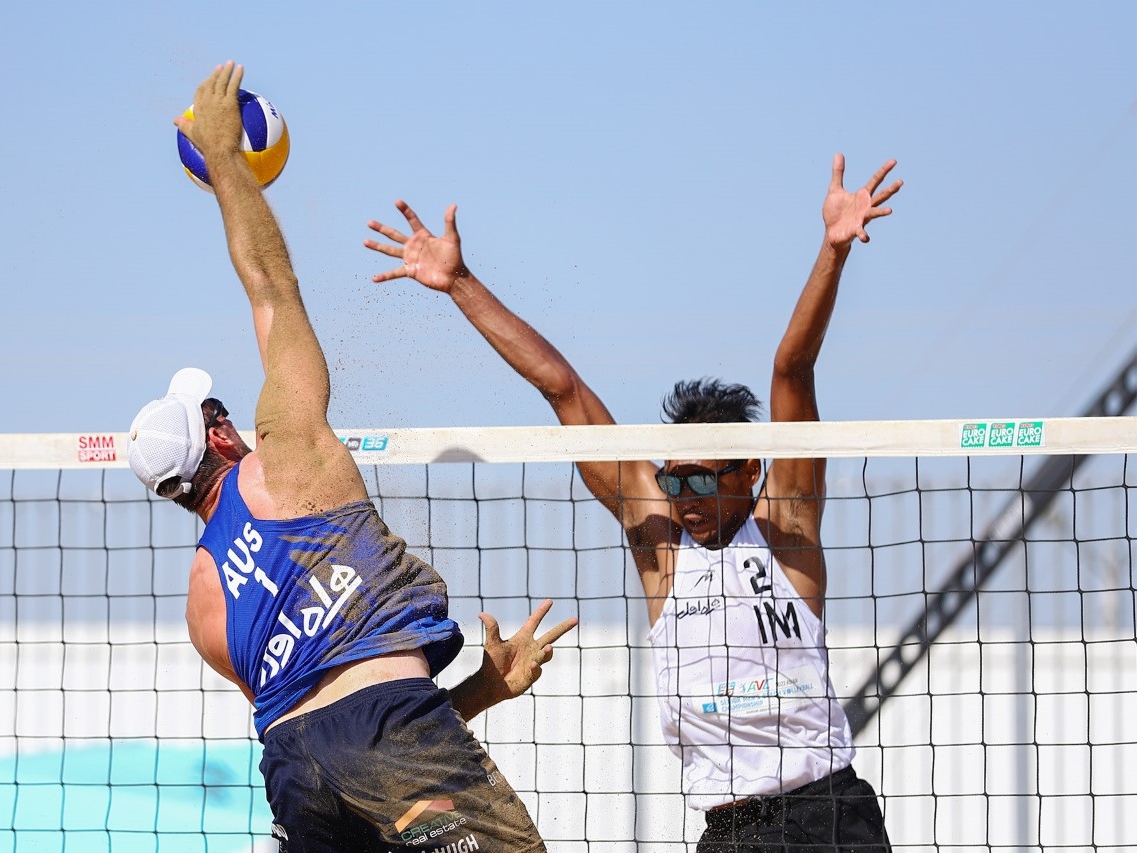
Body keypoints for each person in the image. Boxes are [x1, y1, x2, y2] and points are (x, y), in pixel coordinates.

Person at [364, 155, 901, 852]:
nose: (683, 498)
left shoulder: (784, 526)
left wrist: (831, 251)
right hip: (729, 829)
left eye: (701, 480)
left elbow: (791, 368)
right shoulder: (661, 543)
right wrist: (460, 283)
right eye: (673, 480)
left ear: (750, 471)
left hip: (828, 814)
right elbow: (563, 388)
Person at [126, 63, 576, 853]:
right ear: (222, 433)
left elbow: (334, 731)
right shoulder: (283, 456)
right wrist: (228, 159)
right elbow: (272, 288)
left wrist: (481, 690)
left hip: (297, 775)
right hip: (388, 735)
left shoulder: (202, 604)